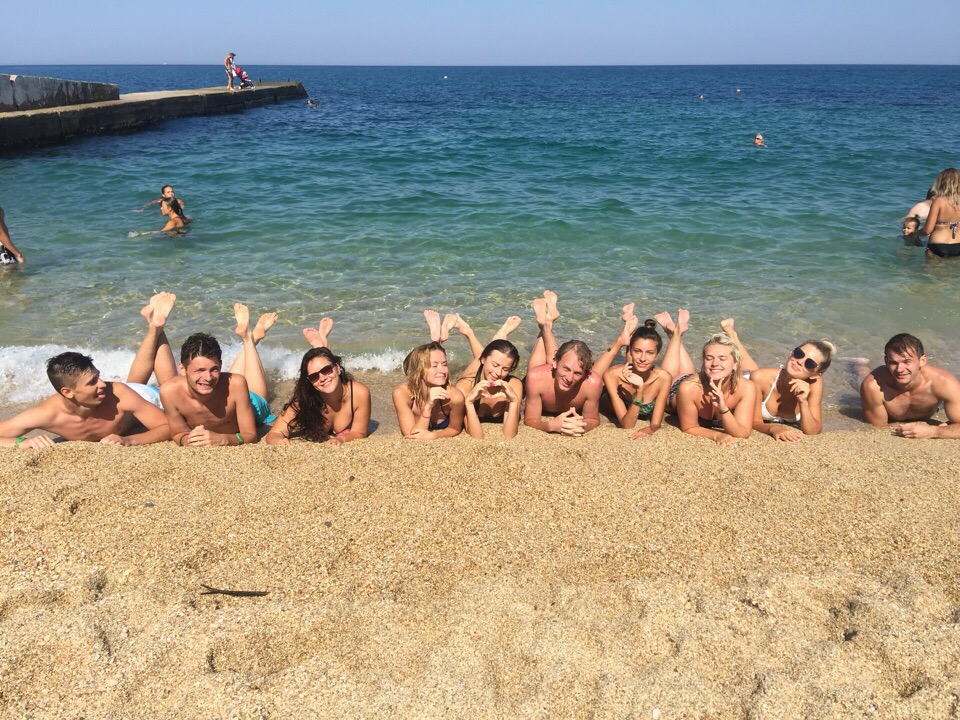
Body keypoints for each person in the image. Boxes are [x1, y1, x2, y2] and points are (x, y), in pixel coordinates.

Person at [0, 292, 179, 448]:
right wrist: (20, 442)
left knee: (170, 389)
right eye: (92, 382)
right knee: (129, 387)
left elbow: (169, 426)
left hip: (147, 397)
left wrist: (128, 440)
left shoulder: (119, 393)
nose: (103, 383)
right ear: (67, 392)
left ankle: (157, 328)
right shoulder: (48, 414)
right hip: (129, 395)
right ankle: (154, 325)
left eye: (98, 377)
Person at [160, 303, 277, 447]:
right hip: (230, 391)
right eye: (199, 370)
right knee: (231, 380)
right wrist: (187, 440)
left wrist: (225, 439)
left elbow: (251, 435)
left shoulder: (237, 384)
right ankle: (251, 338)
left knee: (251, 391)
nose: (208, 377)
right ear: (182, 369)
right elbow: (178, 433)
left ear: (221, 366)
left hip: (247, 401)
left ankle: (249, 339)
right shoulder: (169, 392)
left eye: (214, 369)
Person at [523, 291, 632, 437]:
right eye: (566, 369)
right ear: (555, 364)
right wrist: (550, 426)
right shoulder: (536, 377)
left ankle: (547, 325)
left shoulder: (592, 382)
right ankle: (545, 326)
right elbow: (530, 419)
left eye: (578, 373)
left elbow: (593, 419)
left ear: (586, 373)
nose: (569, 378)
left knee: (589, 376)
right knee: (535, 370)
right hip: (546, 372)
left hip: (567, 368)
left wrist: (581, 426)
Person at [721, 318, 835, 440]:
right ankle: (732, 335)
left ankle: (731, 333)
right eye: (799, 353)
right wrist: (774, 429)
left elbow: (813, 431)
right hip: (754, 380)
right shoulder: (760, 378)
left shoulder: (815, 383)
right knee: (754, 374)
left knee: (755, 371)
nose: (799, 361)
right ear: (791, 353)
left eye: (810, 363)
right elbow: (755, 421)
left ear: (815, 375)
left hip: (763, 377)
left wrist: (803, 402)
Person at [655, 310, 756, 446]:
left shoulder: (746, 387)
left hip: (699, 379)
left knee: (688, 372)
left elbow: (743, 433)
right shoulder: (688, 388)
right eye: (709, 358)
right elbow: (689, 427)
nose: (715, 363)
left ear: (735, 364)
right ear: (703, 362)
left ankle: (674, 332)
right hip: (677, 386)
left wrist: (723, 408)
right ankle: (676, 334)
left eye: (722, 358)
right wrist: (716, 435)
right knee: (665, 377)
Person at [266, 319, 371, 446]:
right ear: (309, 381)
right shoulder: (304, 400)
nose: (322, 378)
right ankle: (320, 347)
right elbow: (274, 433)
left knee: (321, 362)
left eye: (327, 370)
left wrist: (342, 439)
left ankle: (320, 346)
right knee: (320, 363)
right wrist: (279, 441)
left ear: (338, 368)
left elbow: (359, 432)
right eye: (314, 376)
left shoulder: (358, 393)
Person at [860, 333, 960, 439]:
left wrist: (934, 431)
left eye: (907, 362)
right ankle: (859, 366)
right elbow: (878, 428)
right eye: (893, 363)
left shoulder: (944, 383)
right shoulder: (873, 386)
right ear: (886, 361)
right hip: (876, 385)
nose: (900, 369)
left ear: (922, 361)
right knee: (859, 379)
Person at [443, 312, 524, 439]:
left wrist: (514, 401)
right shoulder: (464, 387)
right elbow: (476, 436)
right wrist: (469, 402)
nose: (498, 373)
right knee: (479, 363)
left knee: (491, 358)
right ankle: (470, 333)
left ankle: (486, 335)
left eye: (505, 369)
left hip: (485, 364)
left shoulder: (513, 385)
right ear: (483, 360)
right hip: (474, 377)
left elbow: (509, 435)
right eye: (495, 365)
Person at [601, 307, 672, 439]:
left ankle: (632, 324)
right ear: (630, 351)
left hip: (646, 371)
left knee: (639, 363)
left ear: (657, 356)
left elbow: (656, 423)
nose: (643, 358)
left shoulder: (664, 378)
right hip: (608, 392)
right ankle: (627, 330)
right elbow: (627, 425)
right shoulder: (612, 375)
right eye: (637, 351)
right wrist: (639, 391)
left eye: (650, 353)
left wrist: (651, 428)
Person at [392, 339, 466, 440]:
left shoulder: (455, 397)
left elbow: (455, 428)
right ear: (419, 370)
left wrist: (434, 435)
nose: (442, 370)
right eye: (434, 366)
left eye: (444, 364)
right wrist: (428, 406)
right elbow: (411, 435)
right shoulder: (402, 394)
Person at [921, 168, 960, 259]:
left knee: (932, 269)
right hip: (958, 244)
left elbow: (927, 230)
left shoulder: (939, 201)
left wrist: (915, 234)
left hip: (938, 245)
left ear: (942, 182)